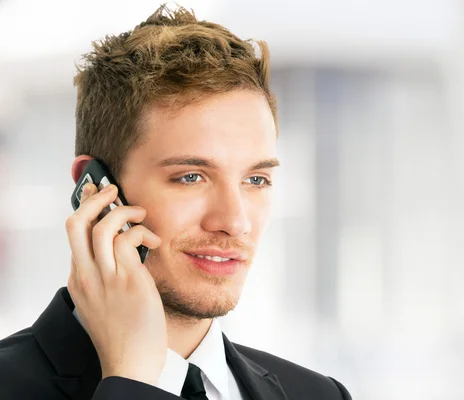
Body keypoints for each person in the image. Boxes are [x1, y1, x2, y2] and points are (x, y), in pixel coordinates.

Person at [0, 5, 352, 400]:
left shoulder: (318, 394)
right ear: (95, 191)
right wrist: (132, 381)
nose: (234, 222)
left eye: (256, 179)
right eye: (191, 177)